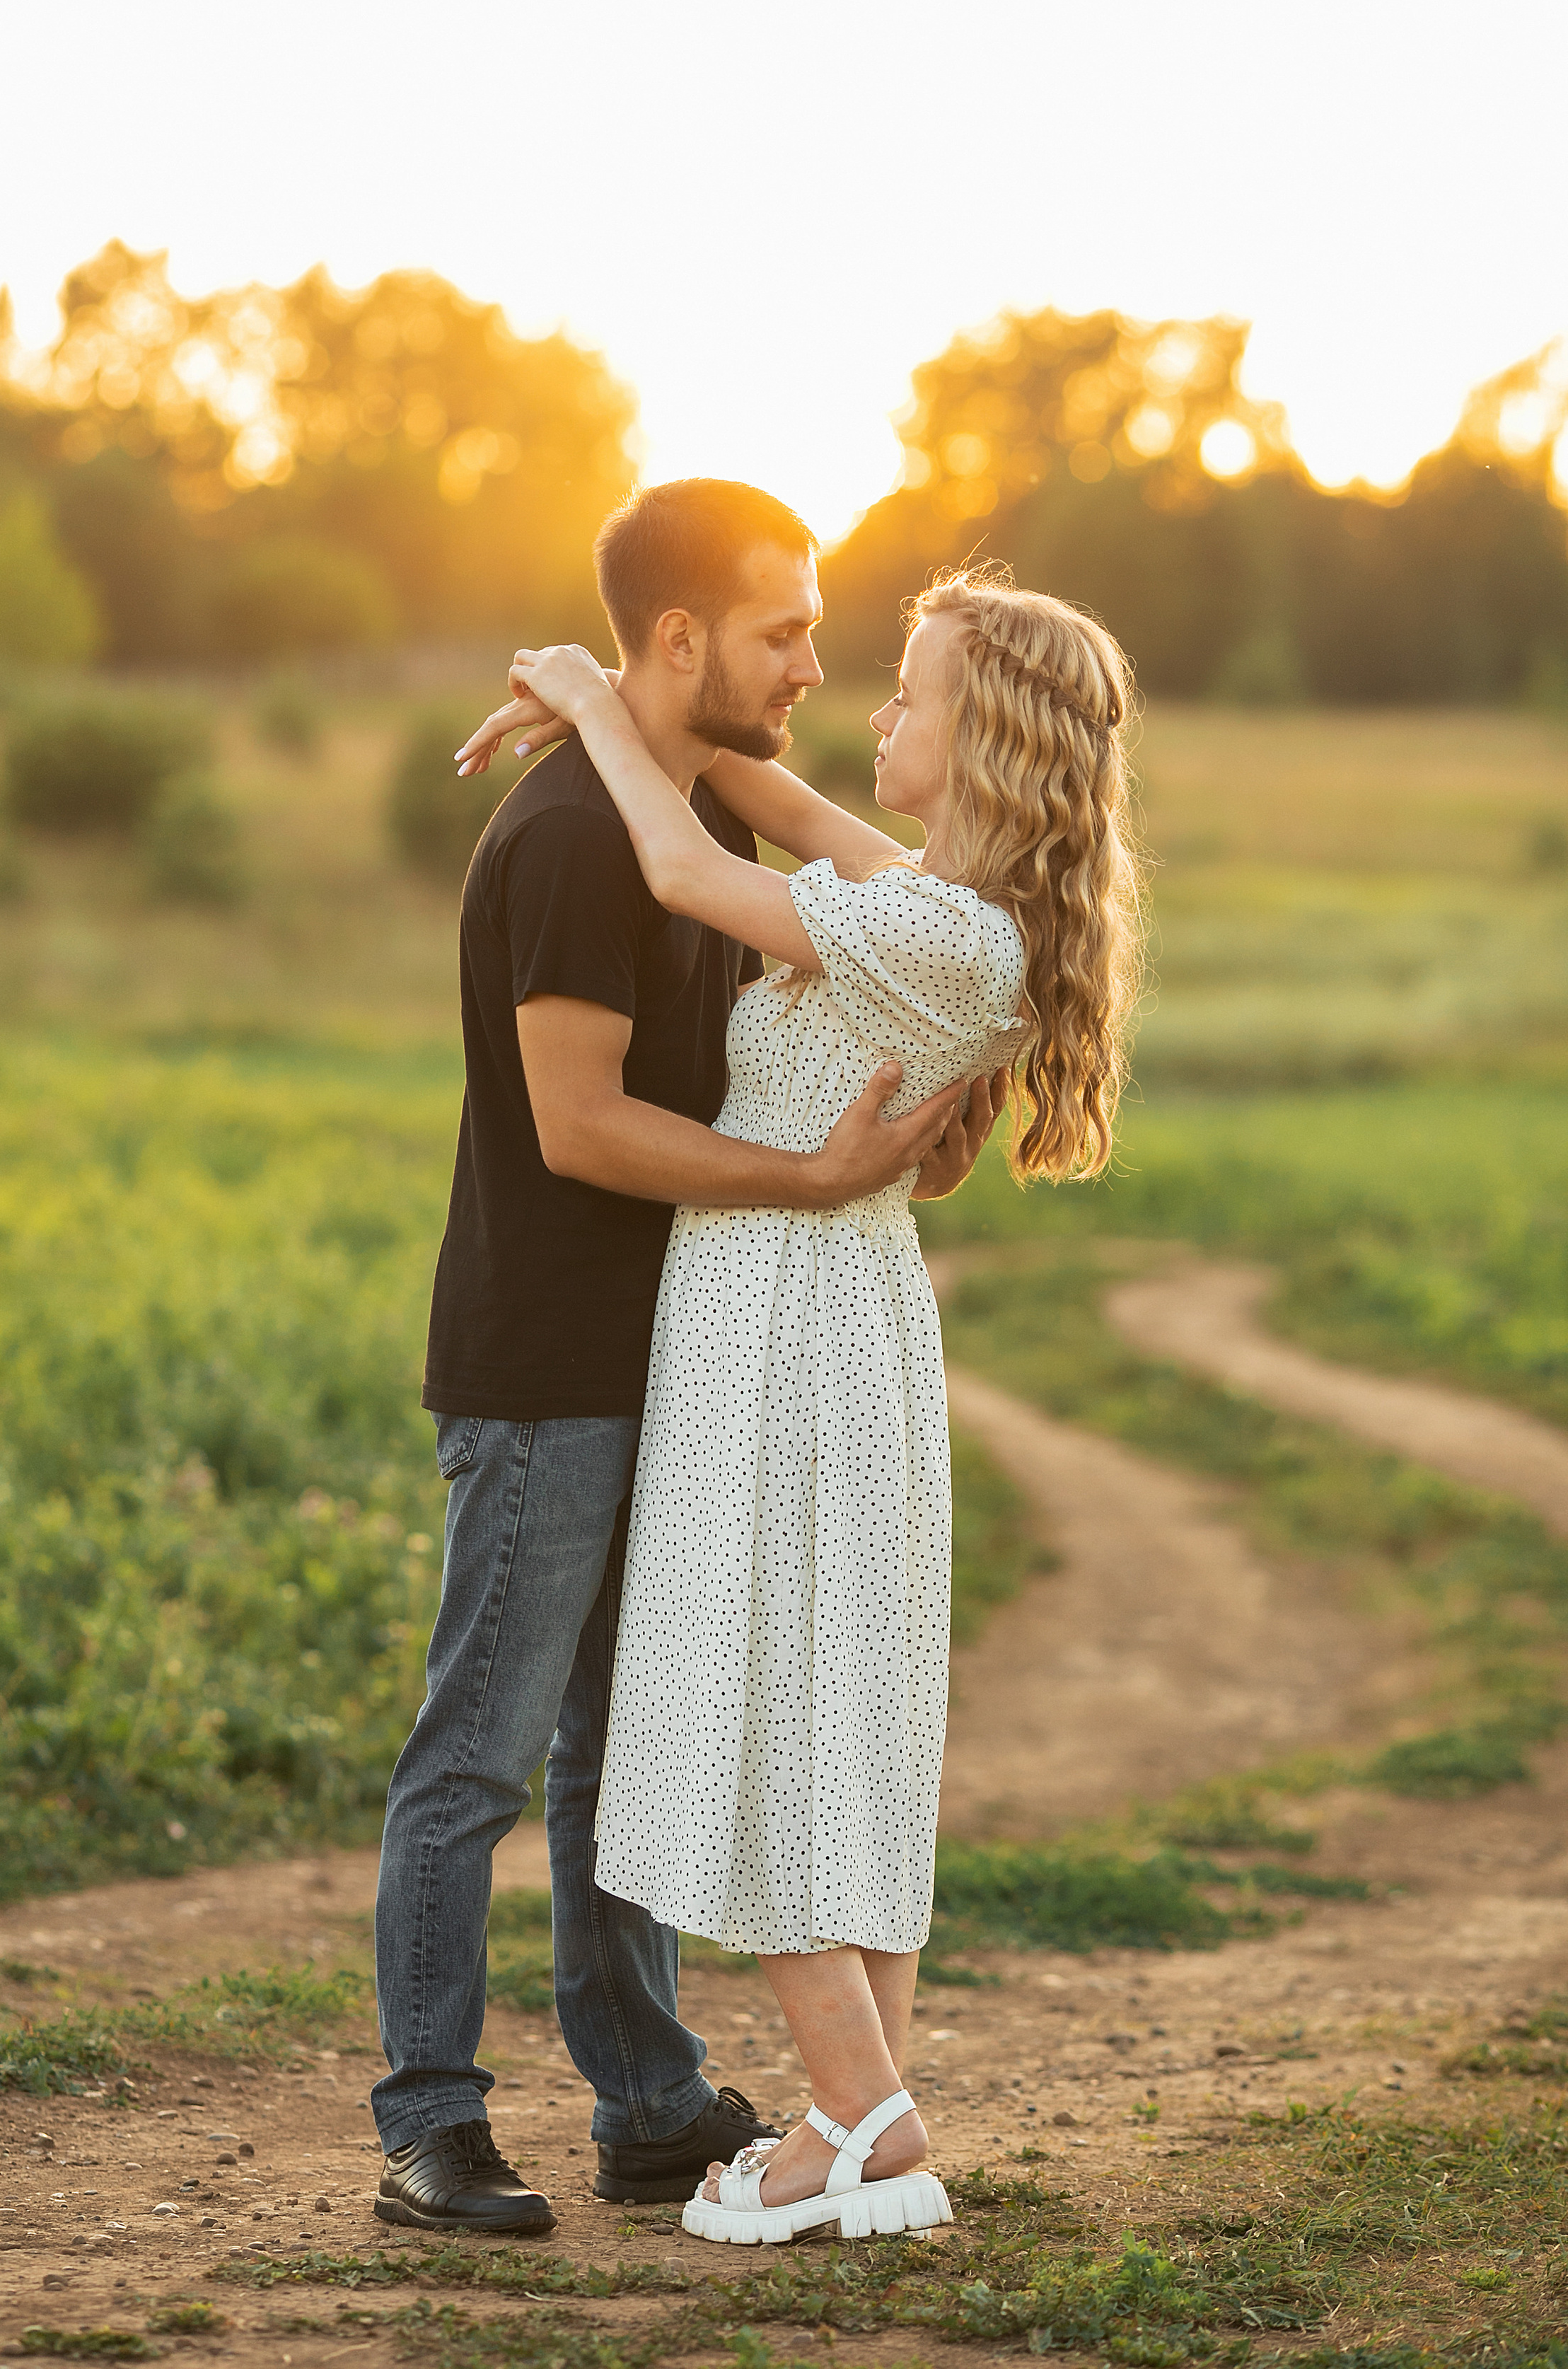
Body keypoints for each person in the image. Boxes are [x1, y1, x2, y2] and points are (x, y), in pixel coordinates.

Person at [467, 567, 1143, 2244]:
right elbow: (755, 796)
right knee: (838, 1715)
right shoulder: (940, 908)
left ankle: (858, 2114)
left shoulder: (925, 928)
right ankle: (866, 2134)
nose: (874, 714)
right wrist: (616, 708)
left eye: (909, 695)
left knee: (748, 1703)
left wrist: (572, 676)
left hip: (777, 1327)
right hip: (831, 1325)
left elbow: (690, 865)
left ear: (980, 736)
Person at [370, 480, 1001, 2235]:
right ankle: (427, 2117)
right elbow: (580, 1127)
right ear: (680, 638)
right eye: (782, 631)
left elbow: (756, 806)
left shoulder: (680, 820)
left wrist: (590, 690)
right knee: (478, 1757)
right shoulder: (575, 840)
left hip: (683, 1357)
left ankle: (649, 2103)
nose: (813, 662)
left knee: (617, 1750)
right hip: (545, 1360)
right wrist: (806, 1179)